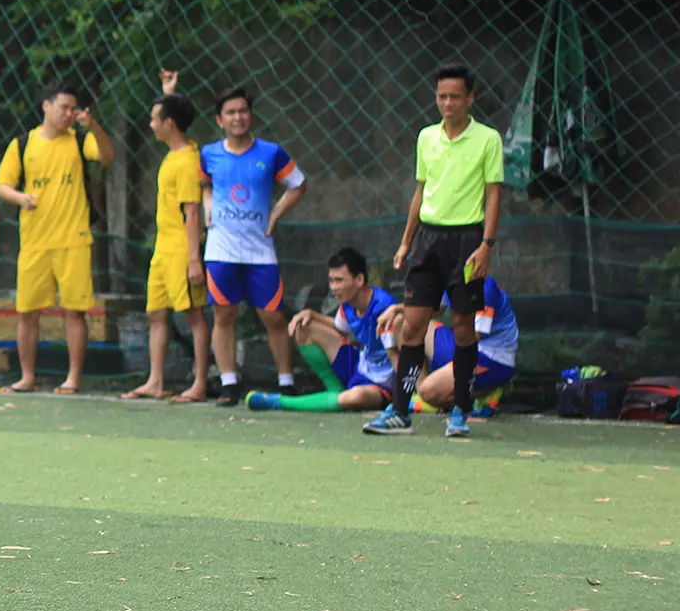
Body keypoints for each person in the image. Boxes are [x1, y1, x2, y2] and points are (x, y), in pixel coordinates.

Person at [365, 63, 504, 438]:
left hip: (467, 243)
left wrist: (486, 245)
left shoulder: (488, 139)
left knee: (463, 328)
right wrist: (406, 241)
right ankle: (400, 412)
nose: (447, 103)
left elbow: (494, 194)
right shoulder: (426, 137)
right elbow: (421, 190)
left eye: (455, 97)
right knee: (411, 326)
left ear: (470, 98)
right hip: (427, 242)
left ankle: (460, 411)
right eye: (442, 96)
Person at [0, 80, 114, 394]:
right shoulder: (23, 144)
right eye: (64, 107)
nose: (69, 114)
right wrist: (20, 198)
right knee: (27, 312)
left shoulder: (79, 140)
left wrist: (93, 126)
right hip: (34, 240)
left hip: (74, 239)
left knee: (75, 311)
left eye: (74, 109)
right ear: (46, 106)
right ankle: (27, 377)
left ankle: (73, 378)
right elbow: (2, 185)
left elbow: (106, 155)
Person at [199, 87, 306, 405]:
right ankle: (229, 383)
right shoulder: (208, 154)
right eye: (231, 112)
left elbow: (298, 184)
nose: (238, 117)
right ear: (219, 120)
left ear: (251, 115)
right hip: (221, 250)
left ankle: (286, 382)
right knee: (224, 315)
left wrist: (275, 214)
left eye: (243, 111)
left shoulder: (271, 153)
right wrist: (207, 207)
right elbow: (205, 184)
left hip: (260, 250)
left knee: (273, 316)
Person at [121, 71, 210, 402]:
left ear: (169, 124)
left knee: (193, 316)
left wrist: (193, 259)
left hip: (181, 250)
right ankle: (155, 381)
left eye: (154, 118)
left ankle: (200, 383)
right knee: (156, 313)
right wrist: (168, 93)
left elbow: (193, 212)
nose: (150, 124)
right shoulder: (175, 155)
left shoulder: (187, 161)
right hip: (162, 249)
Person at [248, 248, 395, 412]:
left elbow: (404, 351)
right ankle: (335, 393)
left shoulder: (383, 306)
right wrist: (312, 315)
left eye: (339, 280)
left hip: (383, 386)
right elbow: (339, 328)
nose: (334, 287)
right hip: (360, 365)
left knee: (355, 397)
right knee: (304, 327)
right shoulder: (347, 304)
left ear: (359, 279)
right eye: (331, 281)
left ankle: (280, 402)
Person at [409, 277, 519, 414]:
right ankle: (424, 397)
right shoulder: (448, 278)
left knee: (429, 391)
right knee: (406, 325)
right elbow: (432, 310)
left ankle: (483, 395)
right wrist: (397, 309)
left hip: (492, 360)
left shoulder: (484, 288)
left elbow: (472, 339)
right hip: (464, 345)